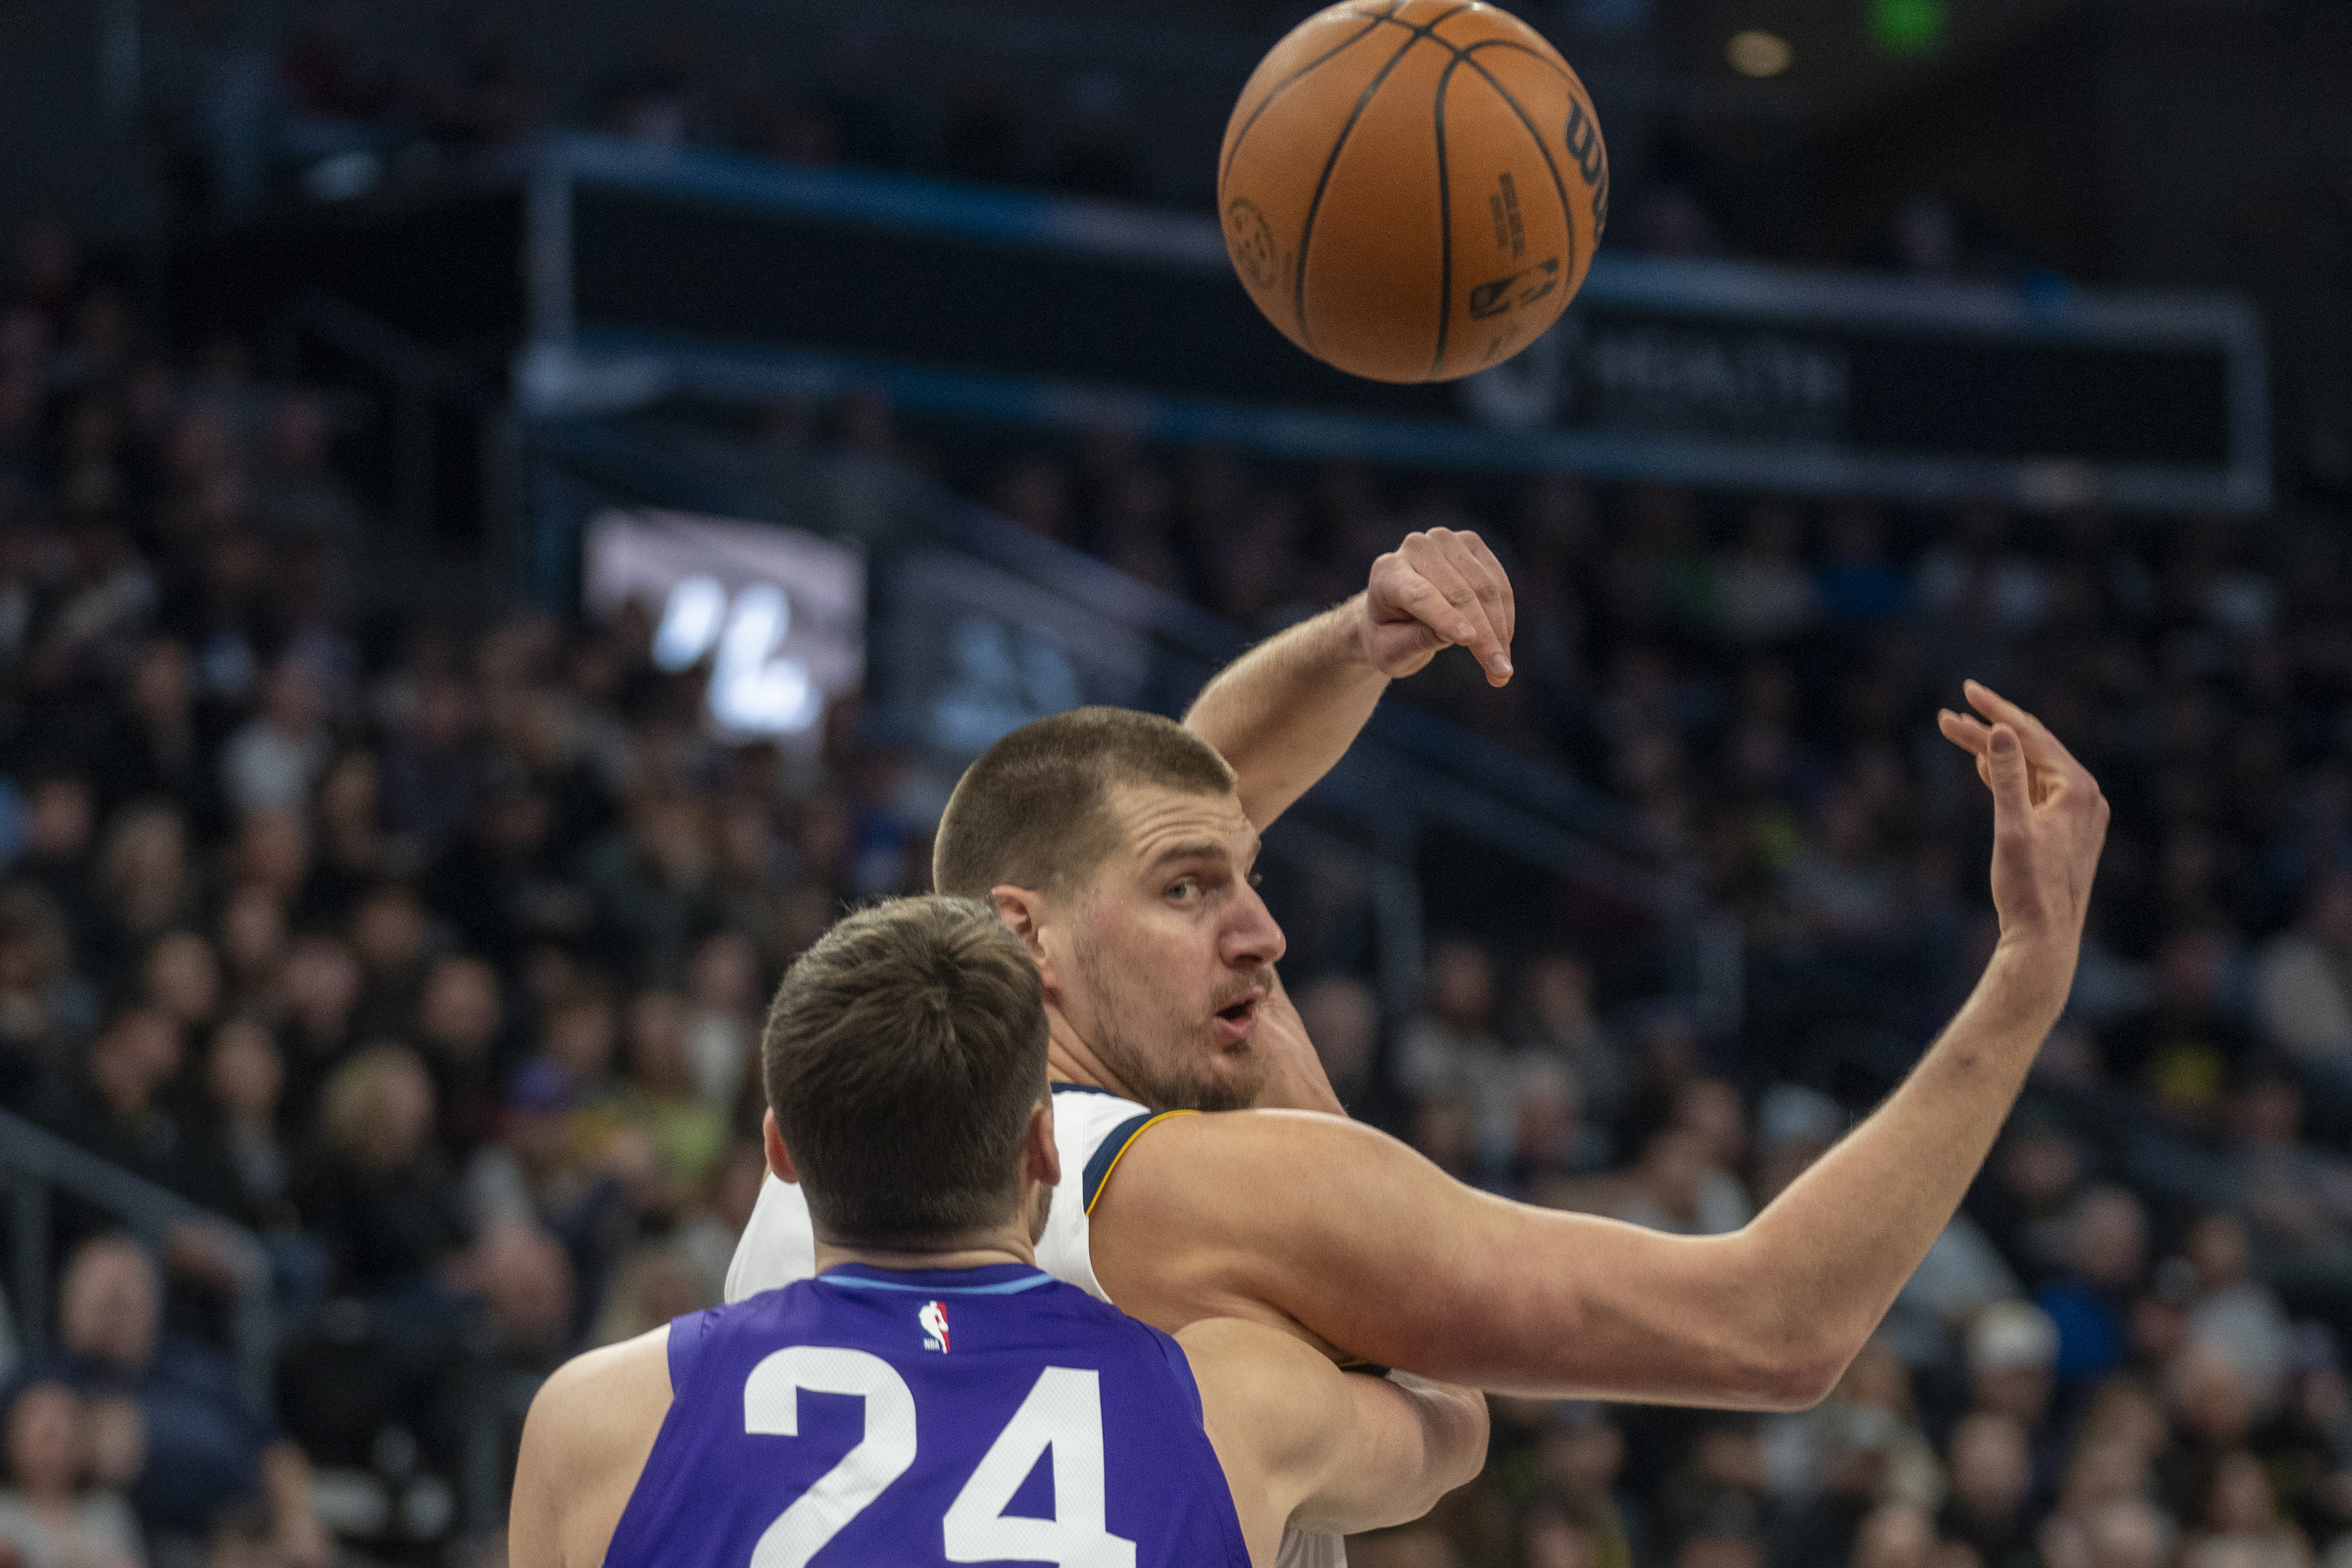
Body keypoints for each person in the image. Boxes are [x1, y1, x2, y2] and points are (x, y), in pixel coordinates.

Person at [721, 549, 2102, 1552]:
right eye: (1198, 893)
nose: (1266, 933)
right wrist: (2030, 972)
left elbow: (1154, 800)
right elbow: (1778, 1327)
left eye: (1246, 882)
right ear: (1031, 941)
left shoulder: (816, 1176)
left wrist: (1351, 646)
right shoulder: (1214, 1193)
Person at [510, 896, 1488, 1568]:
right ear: (1043, 1151)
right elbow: (1453, 1409)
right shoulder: (1233, 1402)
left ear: (780, 1153)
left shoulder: (597, 1418)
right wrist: (1303, 1103)